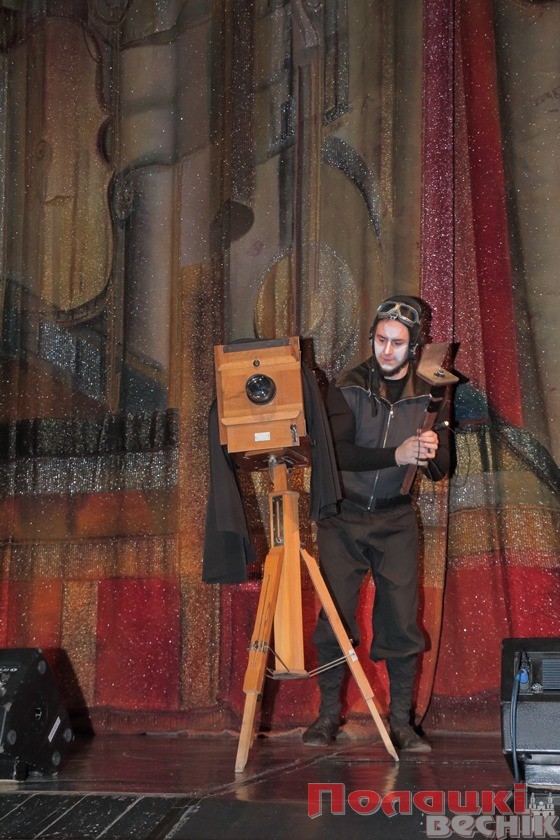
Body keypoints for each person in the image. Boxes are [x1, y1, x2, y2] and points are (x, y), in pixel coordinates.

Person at [302, 295, 451, 753]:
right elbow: (338, 452)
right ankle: (328, 716)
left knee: (402, 620)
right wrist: (396, 454)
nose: (387, 350)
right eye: (380, 339)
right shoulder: (347, 385)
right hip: (343, 519)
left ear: (414, 346)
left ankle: (402, 723)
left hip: (395, 519)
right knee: (334, 617)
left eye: (397, 343)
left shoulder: (433, 392)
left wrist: (430, 451)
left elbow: (442, 468)